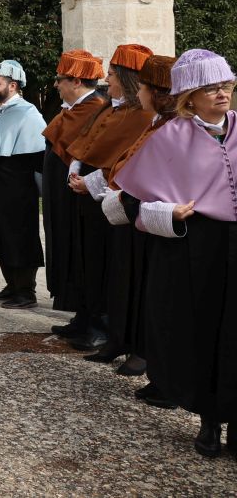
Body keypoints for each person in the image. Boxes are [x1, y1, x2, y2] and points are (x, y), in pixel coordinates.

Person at [111, 49, 237, 458]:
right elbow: (131, 204)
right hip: (197, 250)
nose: (222, 94)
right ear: (190, 97)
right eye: (211, 88)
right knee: (200, 334)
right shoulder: (170, 137)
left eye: (226, 85)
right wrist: (168, 212)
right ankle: (209, 420)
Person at [63, 44, 155, 363]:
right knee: (88, 258)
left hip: (110, 195)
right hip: (89, 190)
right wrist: (77, 171)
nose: (108, 81)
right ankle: (89, 317)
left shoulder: (140, 114)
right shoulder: (112, 108)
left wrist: (89, 183)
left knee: (107, 265)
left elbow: (124, 160)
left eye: (113, 76)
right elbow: (87, 143)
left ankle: (103, 326)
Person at [102, 54, 177, 406]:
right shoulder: (158, 122)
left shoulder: (171, 127)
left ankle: (165, 376)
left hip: (162, 222)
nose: (142, 92)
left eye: (146, 86)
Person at [41, 49, 108, 346]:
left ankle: (95, 322)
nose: (57, 85)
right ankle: (81, 315)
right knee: (69, 254)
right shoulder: (73, 110)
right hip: (62, 198)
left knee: (84, 257)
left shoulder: (95, 109)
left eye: (60, 79)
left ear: (77, 80)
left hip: (81, 199)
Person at [0, 60, 47, 308]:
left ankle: (26, 292)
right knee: (2, 233)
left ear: (13, 85)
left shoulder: (28, 113)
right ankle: (12, 285)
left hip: (18, 182)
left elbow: (37, 155)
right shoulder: (2, 110)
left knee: (19, 234)